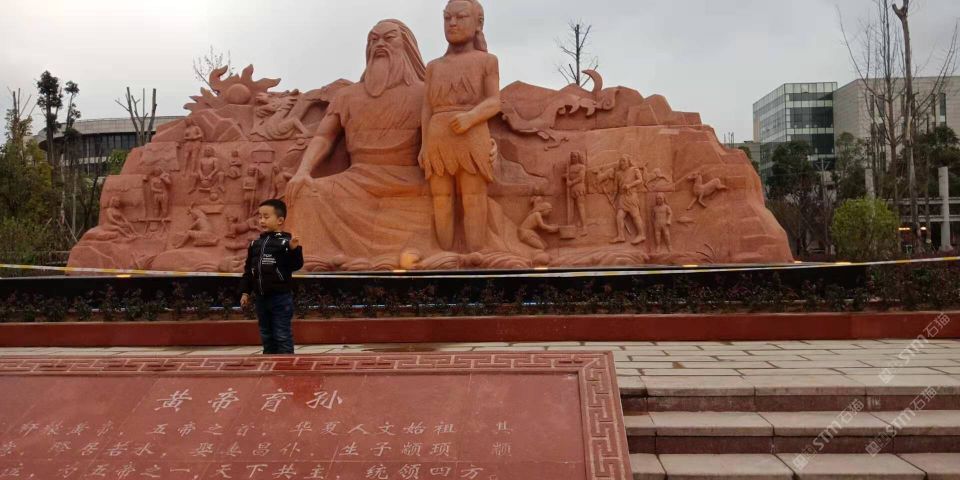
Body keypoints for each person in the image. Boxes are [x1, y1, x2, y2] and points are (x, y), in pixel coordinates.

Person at [420, 0, 501, 252]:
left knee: (473, 196)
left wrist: (471, 117)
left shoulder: (487, 61)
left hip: (472, 134)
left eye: (460, 17)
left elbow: (494, 101)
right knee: (441, 198)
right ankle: (445, 256)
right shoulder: (433, 67)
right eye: (447, 18)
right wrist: (423, 145)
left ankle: (475, 255)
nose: (452, 23)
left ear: (478, 23)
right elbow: (426, 108)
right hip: (438, 137)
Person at [239, 199, 304, 355]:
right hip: (261, 298)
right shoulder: (255, 244)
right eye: (260, 217)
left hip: (280, 298)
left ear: (280, 220)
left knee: (282, 335)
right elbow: (249, 271)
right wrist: (245, 292)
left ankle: (286, 366)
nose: (262, 220)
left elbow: (296, 265)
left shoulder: (286, 243)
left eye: (266, 217)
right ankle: (269, 365)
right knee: (266, 335)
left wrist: (294, 250)